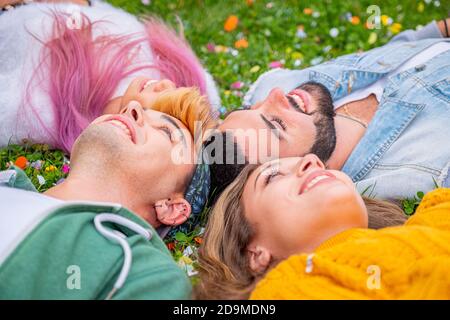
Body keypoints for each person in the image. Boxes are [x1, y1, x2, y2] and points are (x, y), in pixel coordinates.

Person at [205, 18, 450, 201]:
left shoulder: (302, 96)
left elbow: (389, 58)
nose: (276, 95)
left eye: (252, 107)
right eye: (276, 124)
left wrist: (440, 29)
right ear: (301, 168)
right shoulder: (413, 175)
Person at [0, 99, 209, 299]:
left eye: (166, 131)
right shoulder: (9, 184)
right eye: (126, 110)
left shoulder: (146, 276)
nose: (131, 107)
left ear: (172, 207)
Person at [195, 154, 450, 299]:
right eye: (272, 177)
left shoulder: (435, 212)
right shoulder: (285, 291)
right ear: (255, 253)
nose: (311, 160)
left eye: (322, 165)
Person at [0, 0, 220, 153]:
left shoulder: (41, 112)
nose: (165, 83)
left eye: (165, 106)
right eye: (175, 90)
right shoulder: (186, 79)